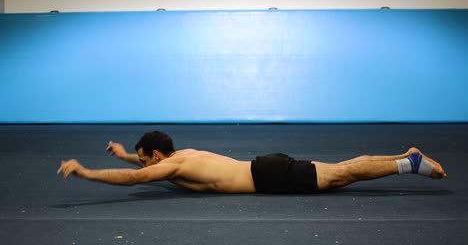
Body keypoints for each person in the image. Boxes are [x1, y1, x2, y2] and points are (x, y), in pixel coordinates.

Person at [57, 131, 447, 194]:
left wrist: (87, 171)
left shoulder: (170, 167)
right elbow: (141, 166)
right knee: (341, 172)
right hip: (265, 168)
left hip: (268, 176)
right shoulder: (182, 155)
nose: (143, 166)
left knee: (341, 174)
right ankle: (404, 158)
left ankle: (407, 163)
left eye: (144, 160)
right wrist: (125, 151)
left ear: (156, 157)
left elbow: (135, 179)